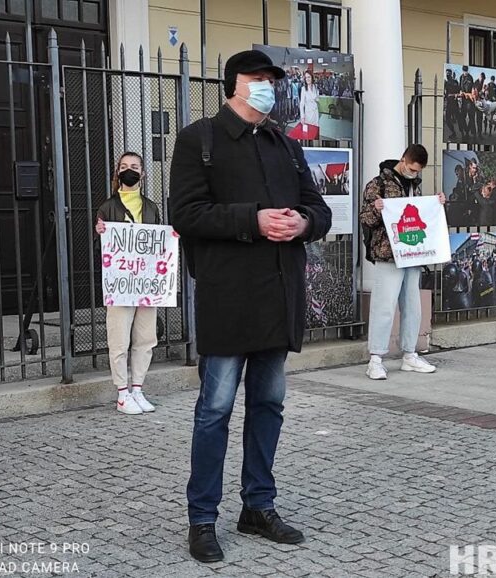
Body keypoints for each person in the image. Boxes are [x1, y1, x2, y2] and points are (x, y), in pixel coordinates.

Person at [169, 49, 331, 564]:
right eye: (258, 78)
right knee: (214, 410)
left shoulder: (285, 143)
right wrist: (253, 220)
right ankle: (202, 518)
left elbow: (319, 209)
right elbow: (186, 214)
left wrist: (304, 223)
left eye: (271, 79)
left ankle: (258, 506)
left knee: (268, 406)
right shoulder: (200, 139)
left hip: (279, 297)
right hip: (228, 297)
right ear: (234, 84)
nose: (267, 86)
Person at [359, 144, 446, 380]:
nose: (413, 173)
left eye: (417, 171)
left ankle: (409, 354)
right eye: (412, 169)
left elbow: (422, 213)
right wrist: (376, 209)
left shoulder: (413, 186)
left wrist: (436, 203)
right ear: (403, 161)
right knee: (384, 305)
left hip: (412, 253)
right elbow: (365, 218)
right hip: (388, 254)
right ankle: (376, 358)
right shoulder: (378, 184)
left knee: (412, 306)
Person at [95, 152, 161, 416]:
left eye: (134, 166)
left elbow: (158, 243)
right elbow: (101, 249)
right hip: (121, 285)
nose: (129, 171)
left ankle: (137, 389)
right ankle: (122, 393)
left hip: (145, 284)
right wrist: (100, 234)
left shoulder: (151, 208)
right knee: (119, 340)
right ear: (117, 173)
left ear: (142, 173)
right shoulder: (107, 207)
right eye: (124, 167)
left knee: (146, 338)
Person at [299, 70, 320, 137]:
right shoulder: (303, 89)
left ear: (312, 77)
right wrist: (302, 117)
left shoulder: (315, 87)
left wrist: (316, 98)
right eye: (306, 77)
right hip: (308, 114)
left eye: (309, 77)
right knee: (309, 134)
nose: (307, 79)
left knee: (315, 132)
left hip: (315, 113)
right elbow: (301, 104)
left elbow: (317, 99)